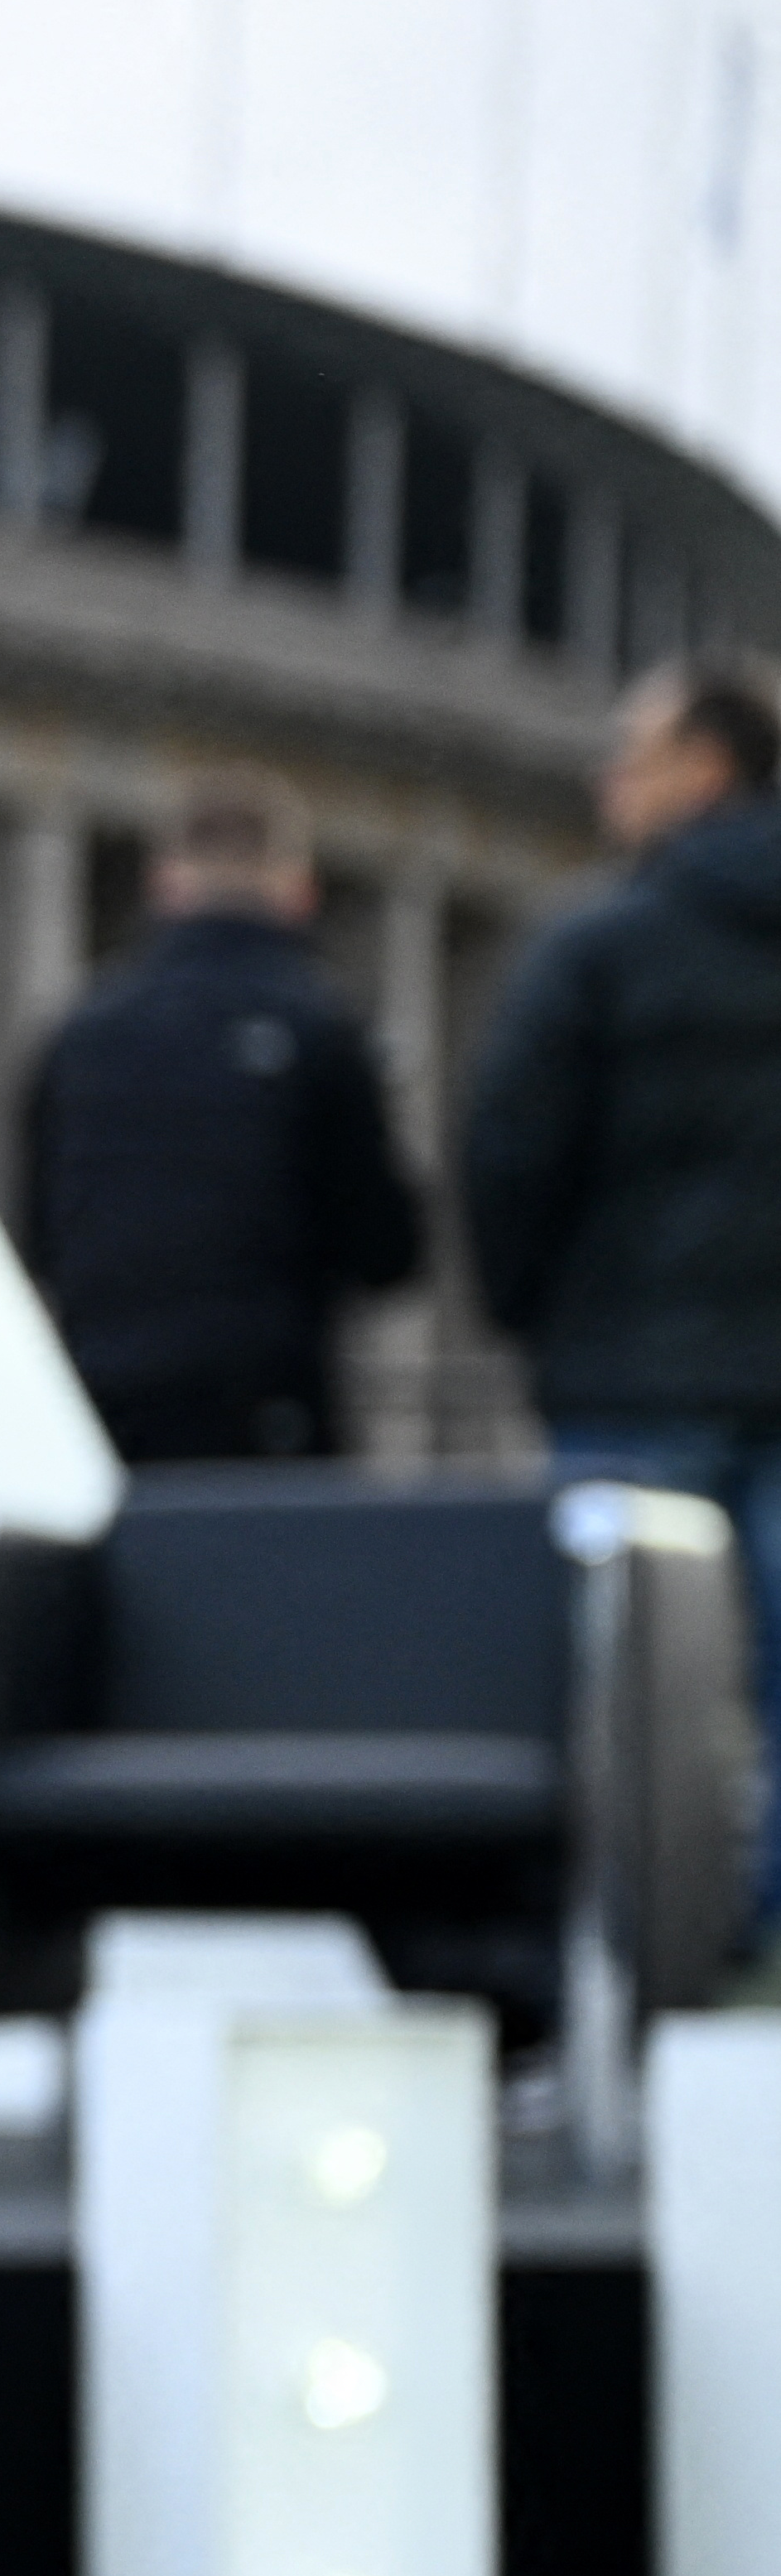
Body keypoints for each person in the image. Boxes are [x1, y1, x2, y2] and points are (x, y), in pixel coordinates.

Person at [467, 652, 781, 1987]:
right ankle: (759, 1951)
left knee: (620, 1691)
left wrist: (528, 1310)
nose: (608, 780)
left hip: (629, 1375)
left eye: (631, 755)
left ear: (704, 769)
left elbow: (507, 1150)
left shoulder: (598, 944)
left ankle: (631, 1959)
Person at [12, 770, 419, 1464]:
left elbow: (39, 1231)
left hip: (103, 1389)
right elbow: (386, 1248)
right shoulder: (319, 1028)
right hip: (266, 1397)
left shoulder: (81, 1034)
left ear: (164, 885)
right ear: (299, 891)